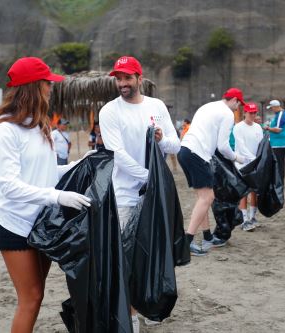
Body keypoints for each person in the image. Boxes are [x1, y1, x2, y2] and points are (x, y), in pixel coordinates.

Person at [0, 57, 94, 333]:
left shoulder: (39, 124)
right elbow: (8, 185)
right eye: (47, 83)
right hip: (14, 224)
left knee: (38, 294)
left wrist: (78, 165)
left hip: (42, 223)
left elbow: (44, 173)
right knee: (30, 299)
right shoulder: (4, 130)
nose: (50, 88)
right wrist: (57, 197)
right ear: (33, 86)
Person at [99, 55, 180, 332]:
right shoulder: (109, 111)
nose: (122, 83)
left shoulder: (156, 106)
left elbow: (175, 145)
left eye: (127, 77)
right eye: (118, 78)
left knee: (152, 252)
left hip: (154, 198)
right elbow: (117, 155)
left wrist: (161, 138)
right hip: (124, 195)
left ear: (139, 78)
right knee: (126, 258)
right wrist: (148, 178)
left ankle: (146, 303)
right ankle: (129, 315)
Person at [178, 87, 246, 256]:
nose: (238, 108)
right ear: (234, 100)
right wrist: (237, 158)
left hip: (184, 150)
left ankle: (207, 236)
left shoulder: (208, 106)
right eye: (239, 104)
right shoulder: (227, 114)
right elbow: (222, 146)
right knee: (207, 197)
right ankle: (187, 242)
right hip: (197, 154)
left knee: (203, 198)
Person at [233, 102, 264, 231]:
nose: (252, 115)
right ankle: (244, 219)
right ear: (245, 112)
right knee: (244, 192)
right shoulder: (238, 127)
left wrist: (261, 159)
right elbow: (241, 146)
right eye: (250, 112)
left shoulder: (258, 127)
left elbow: (262, 145)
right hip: (243, 163)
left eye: (254, 112)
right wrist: (253, 159)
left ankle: (252, 217)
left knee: (254, 191)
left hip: (255, 163)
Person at [264, 99, 285, 185]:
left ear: (275, 107)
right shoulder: (278, 114)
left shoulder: (281, 115)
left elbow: (278, 130)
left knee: (279, 166)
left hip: (279, 145)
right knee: (277, 166)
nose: (271, 110)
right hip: (277, 144)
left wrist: (267, 128)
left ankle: (279, 186)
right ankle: (278, 185)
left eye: (271, 108)